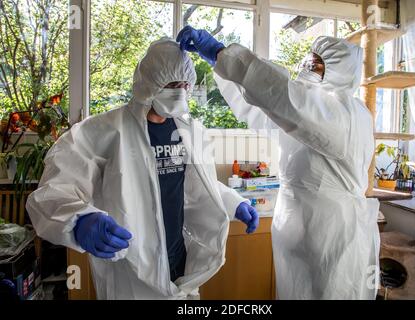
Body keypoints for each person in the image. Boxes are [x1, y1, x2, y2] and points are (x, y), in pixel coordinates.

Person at [26, 38, 259, 300]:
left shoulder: (190, 132)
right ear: (149, 83)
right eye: (172, 85)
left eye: (185, 85)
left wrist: (234, 202)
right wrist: (78, 219)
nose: (180, 92)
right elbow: (54, 190)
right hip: (131, 267)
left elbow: (195, 184)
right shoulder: (104, 131)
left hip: (180, 263)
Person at [177, 26, 380, 300]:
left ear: (340, 72)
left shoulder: (345, 115)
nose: (308, 65)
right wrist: (221, 66)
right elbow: (263, 108)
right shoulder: (312, 113)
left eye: (318, 63)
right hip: (300, 235)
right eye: (310, 57)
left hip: (333, 238)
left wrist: (225, 55)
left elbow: (285, 97)